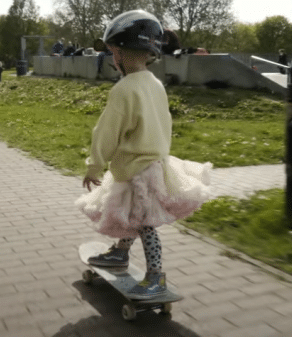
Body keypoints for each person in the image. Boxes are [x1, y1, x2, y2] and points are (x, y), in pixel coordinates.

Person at [75, 10, 212, 300]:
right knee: (135, 215)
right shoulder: (155, 84)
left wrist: (94, 165)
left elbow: (106, 132)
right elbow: (164, 124)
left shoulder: (124, 90)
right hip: (154, 164)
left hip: (138, 169)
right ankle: (120, 254)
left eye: (113, 52)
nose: (113, 58)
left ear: (122, 53)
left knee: (145, 225)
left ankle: (155, 277)